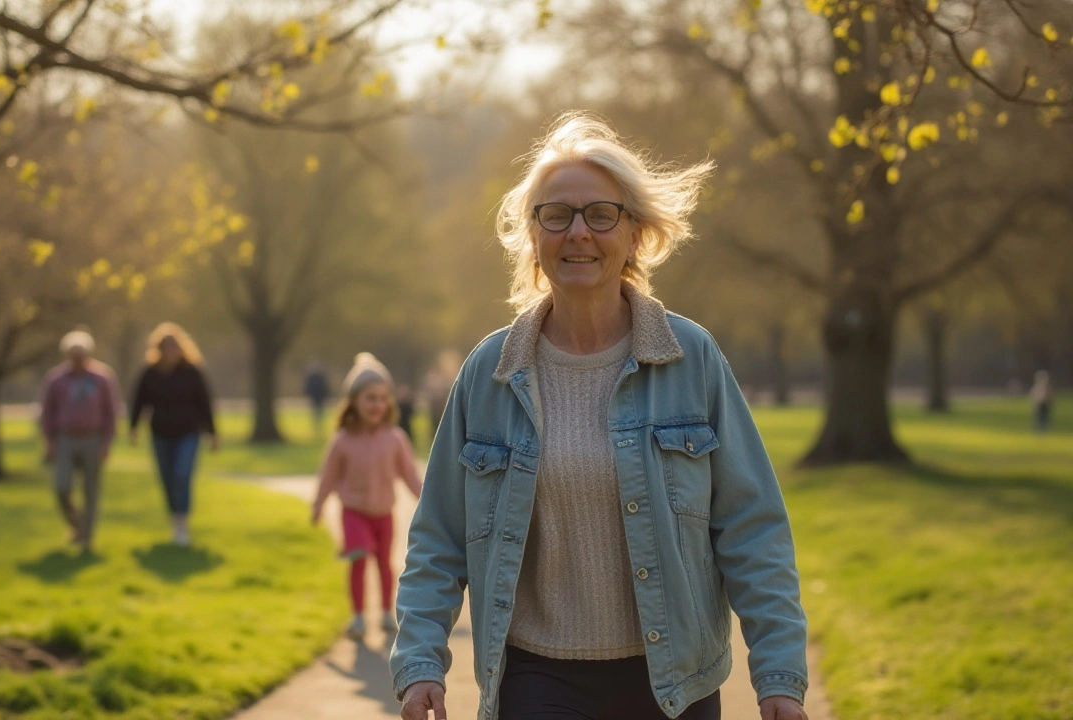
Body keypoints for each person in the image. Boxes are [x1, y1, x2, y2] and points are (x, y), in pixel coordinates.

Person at [391, 113, 809, 720]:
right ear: (533, 236)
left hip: (674, 682)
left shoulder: (691, 360)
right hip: (536, 677)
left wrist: (777, 675)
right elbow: (439, 537)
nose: (577, 232)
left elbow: (752, 528)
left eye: (600, 214)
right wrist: (421, 662)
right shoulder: (490, 374)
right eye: (556, 215)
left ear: (635, 232)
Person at [312, 352, 423, 641]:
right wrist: (318, 505)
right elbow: (328, 476)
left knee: (385, 564)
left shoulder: (395, 438)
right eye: (369, 398)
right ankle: (358, 617)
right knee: (359, 559)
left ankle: (386, 613)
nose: (377, 404)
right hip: (354, 513)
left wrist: (426, 500)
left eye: (382, 398)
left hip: (384, 514)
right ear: (353, 402)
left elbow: (409, 475)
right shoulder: (343, 440)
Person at [129, 323, 219, 546]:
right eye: (166, 347)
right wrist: (133, 427)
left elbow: (204, 402)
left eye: (174, 347)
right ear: (158, 349)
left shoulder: (191, 372)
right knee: (167, 479)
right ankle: (174, 517)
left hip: (188, 433)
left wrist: (212, 432)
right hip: (160, 433)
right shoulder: (150, 373)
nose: (170, 351)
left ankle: (182, 523)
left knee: (181, 475)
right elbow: (139, 401)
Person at [40, 330, 120, 554]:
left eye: (81, 354)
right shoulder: (56, 380)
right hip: (64, 438)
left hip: (93, 438)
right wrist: (48, 441)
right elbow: (46, 412)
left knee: (91, 489)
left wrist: (107, 443)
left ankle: (86, 538)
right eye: (73, 355)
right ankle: (76, 524)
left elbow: (111, 413)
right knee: (62, 486)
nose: (77, 359)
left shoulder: (102, 377)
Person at [305, 361, 330, 437]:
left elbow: (324, 386)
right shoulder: (312, 377)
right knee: (316, 411)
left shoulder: (318, 376)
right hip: (315, 396)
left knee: (319, 411)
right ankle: (317, 424)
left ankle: (319, 424)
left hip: (319, 396)